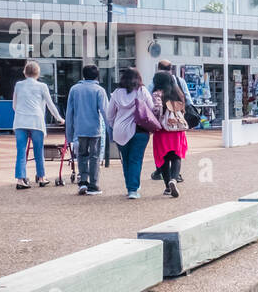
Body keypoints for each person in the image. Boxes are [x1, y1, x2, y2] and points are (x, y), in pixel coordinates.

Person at [11, 60, 63, 190]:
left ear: (25, 72)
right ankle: (41, 177)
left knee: (21, 151)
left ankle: (20, 179)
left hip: (20, 121)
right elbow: (50, 104)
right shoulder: (42, 86)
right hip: (36, 121)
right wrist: (59, 118)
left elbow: (14, 105)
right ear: (38, 73)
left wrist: (22, 112)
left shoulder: (18, 85)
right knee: (39, 151)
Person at [108, 67, 158, 200]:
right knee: (136, 159)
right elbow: (152, 109)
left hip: (120, 131)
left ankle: (130, 186)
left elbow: (110, 115)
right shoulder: (142, 91)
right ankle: (133, 189)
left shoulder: (116, 93)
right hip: (140, 130)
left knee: (126, 160)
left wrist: (115, 126)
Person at [65, 64, 110, 195]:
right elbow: (105, 111)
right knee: (94, 156)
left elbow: (69, 112)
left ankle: (83, 181)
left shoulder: (74, 89)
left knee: (81, 155)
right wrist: (110, 129)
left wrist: (69, 132)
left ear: (83, 75)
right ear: (97, 75)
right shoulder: (99, 90)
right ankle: (93, 184)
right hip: (94, 129)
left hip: (79, 128)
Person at [151, 70, 189, 198]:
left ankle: (167, 186)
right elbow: (183, 110)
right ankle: (174, 179)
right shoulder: (178, 94)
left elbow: (155, 111)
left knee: (164, 158)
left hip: (162, 131)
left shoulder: (157, 94)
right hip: (177, 130)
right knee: (176, 156)